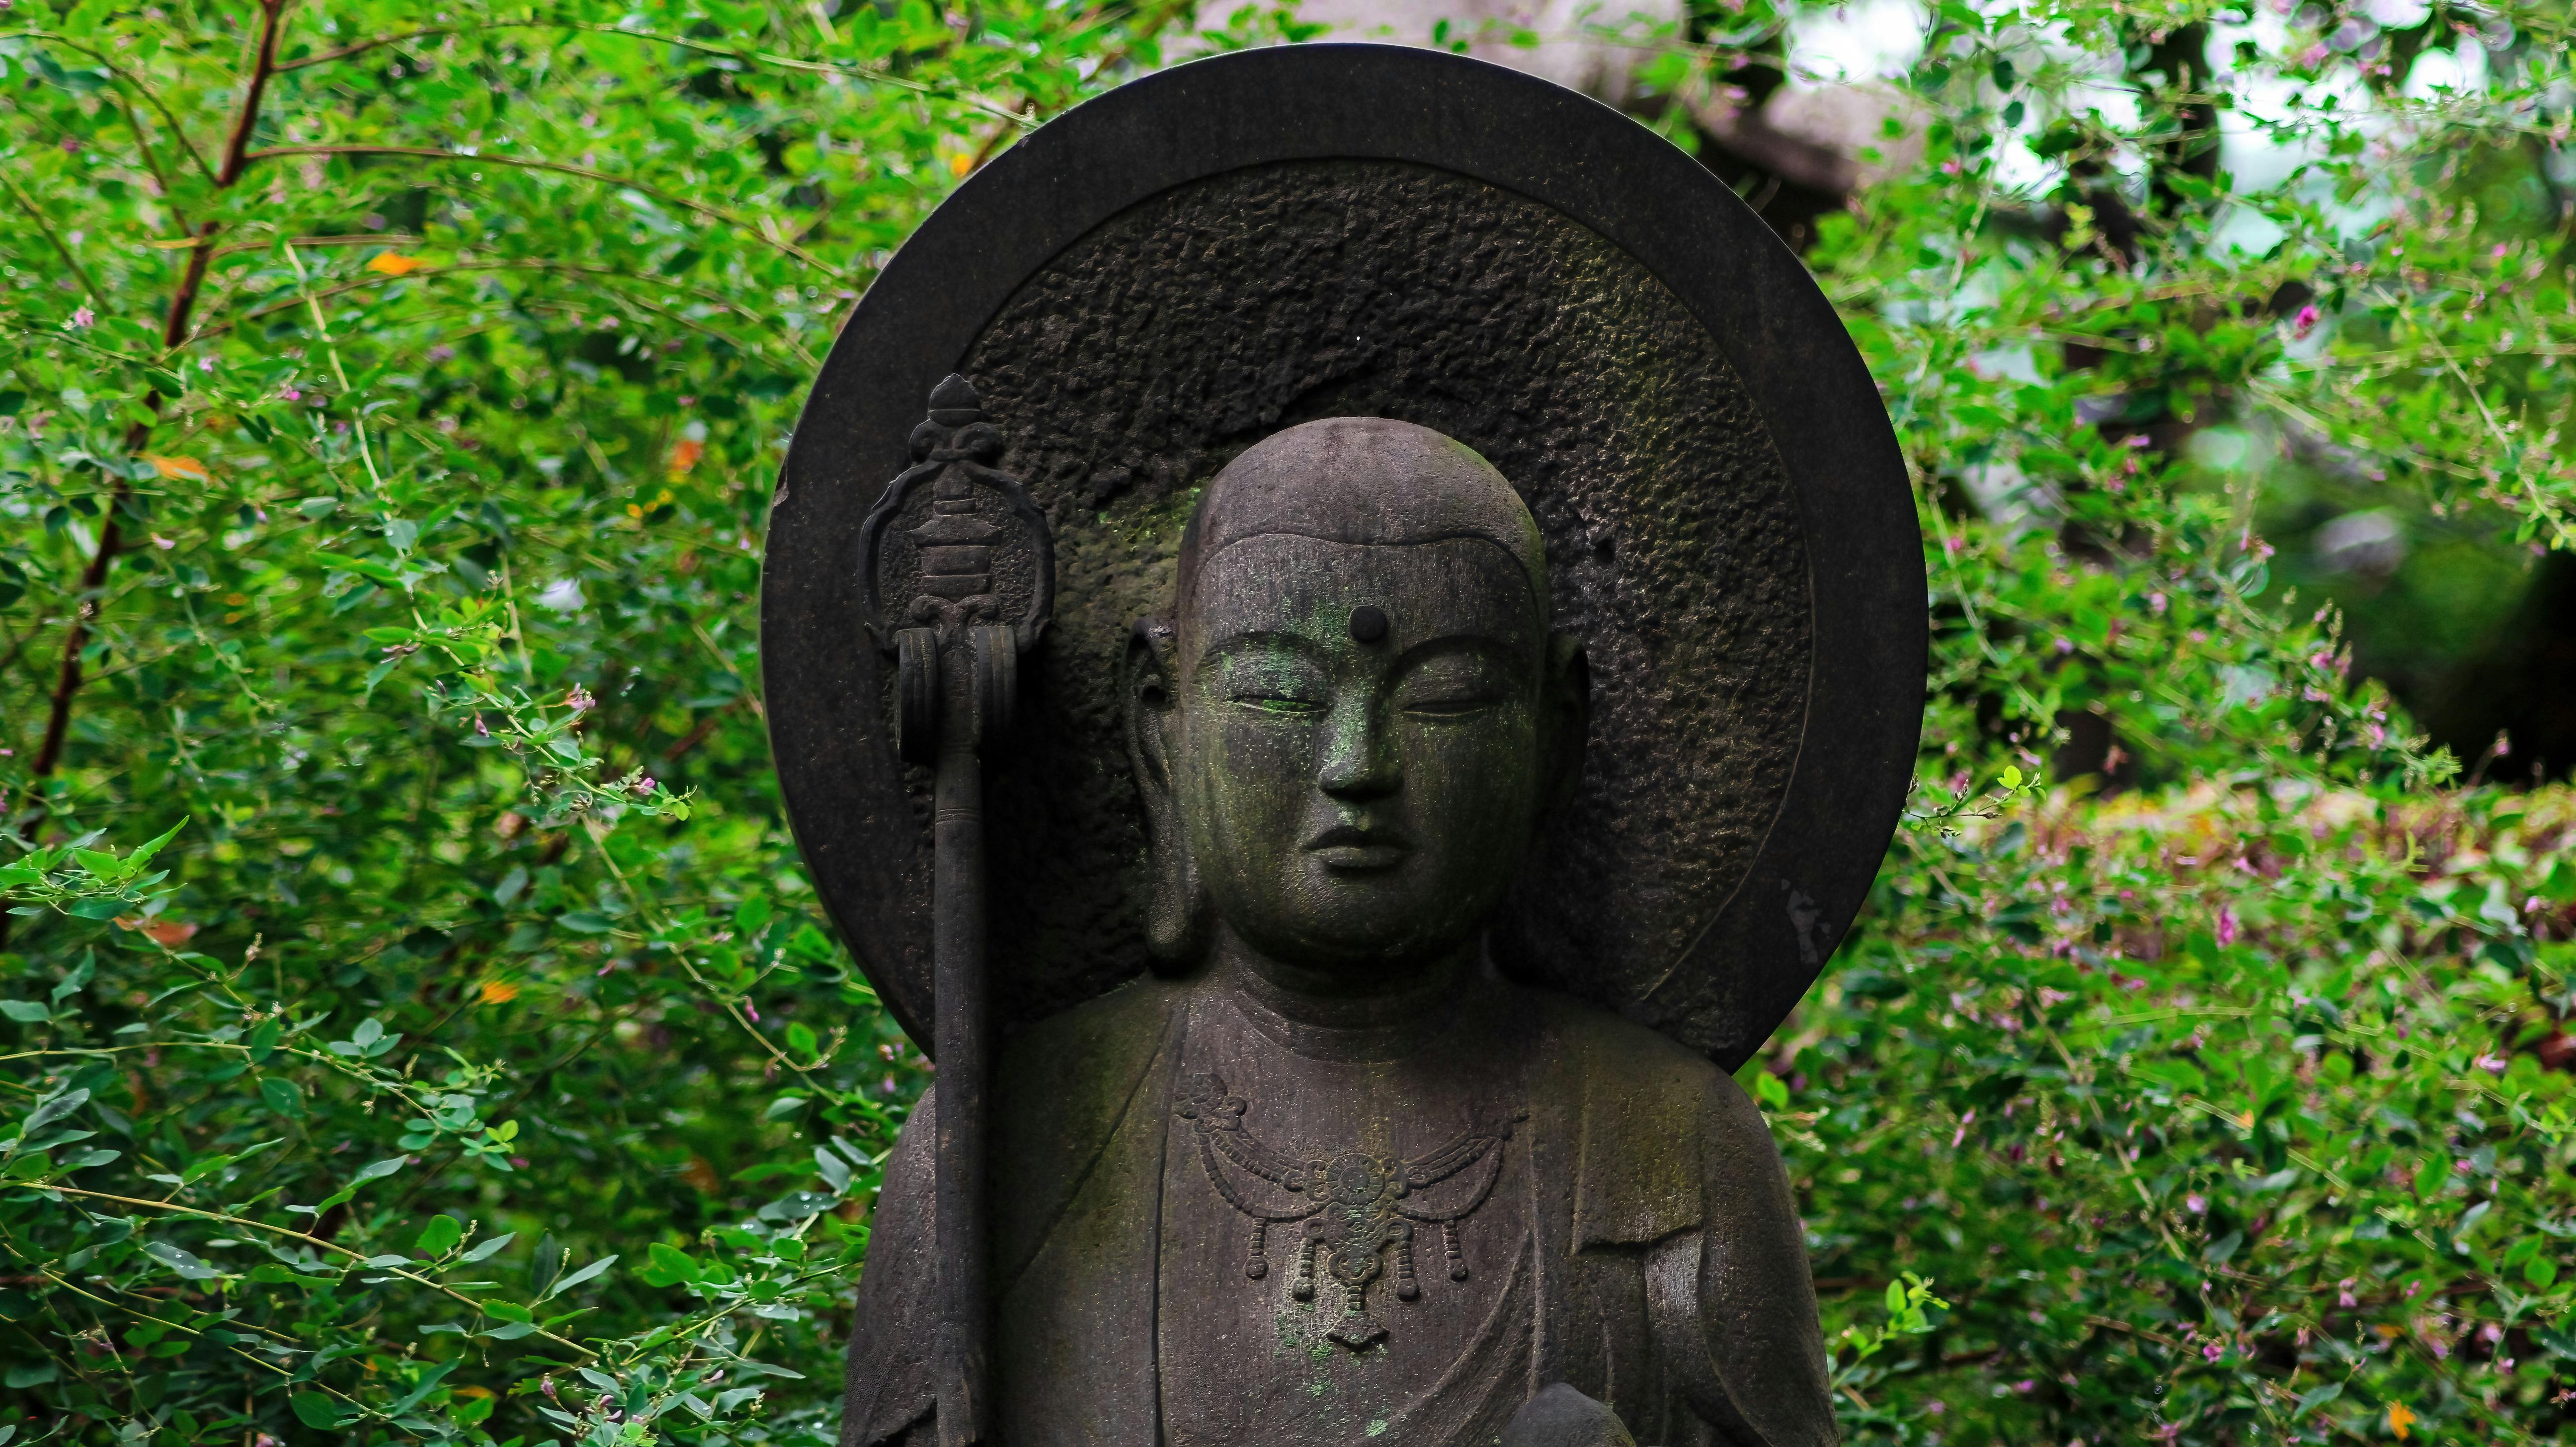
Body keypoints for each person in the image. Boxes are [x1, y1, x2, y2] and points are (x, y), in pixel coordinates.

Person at [840, 417, 1836, 1447]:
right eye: (1279, 690)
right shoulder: (1005, 1150)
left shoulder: (1673, 1152)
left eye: (1446, 696)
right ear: (1159, 724)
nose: (1359, 764)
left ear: (1553, 733)